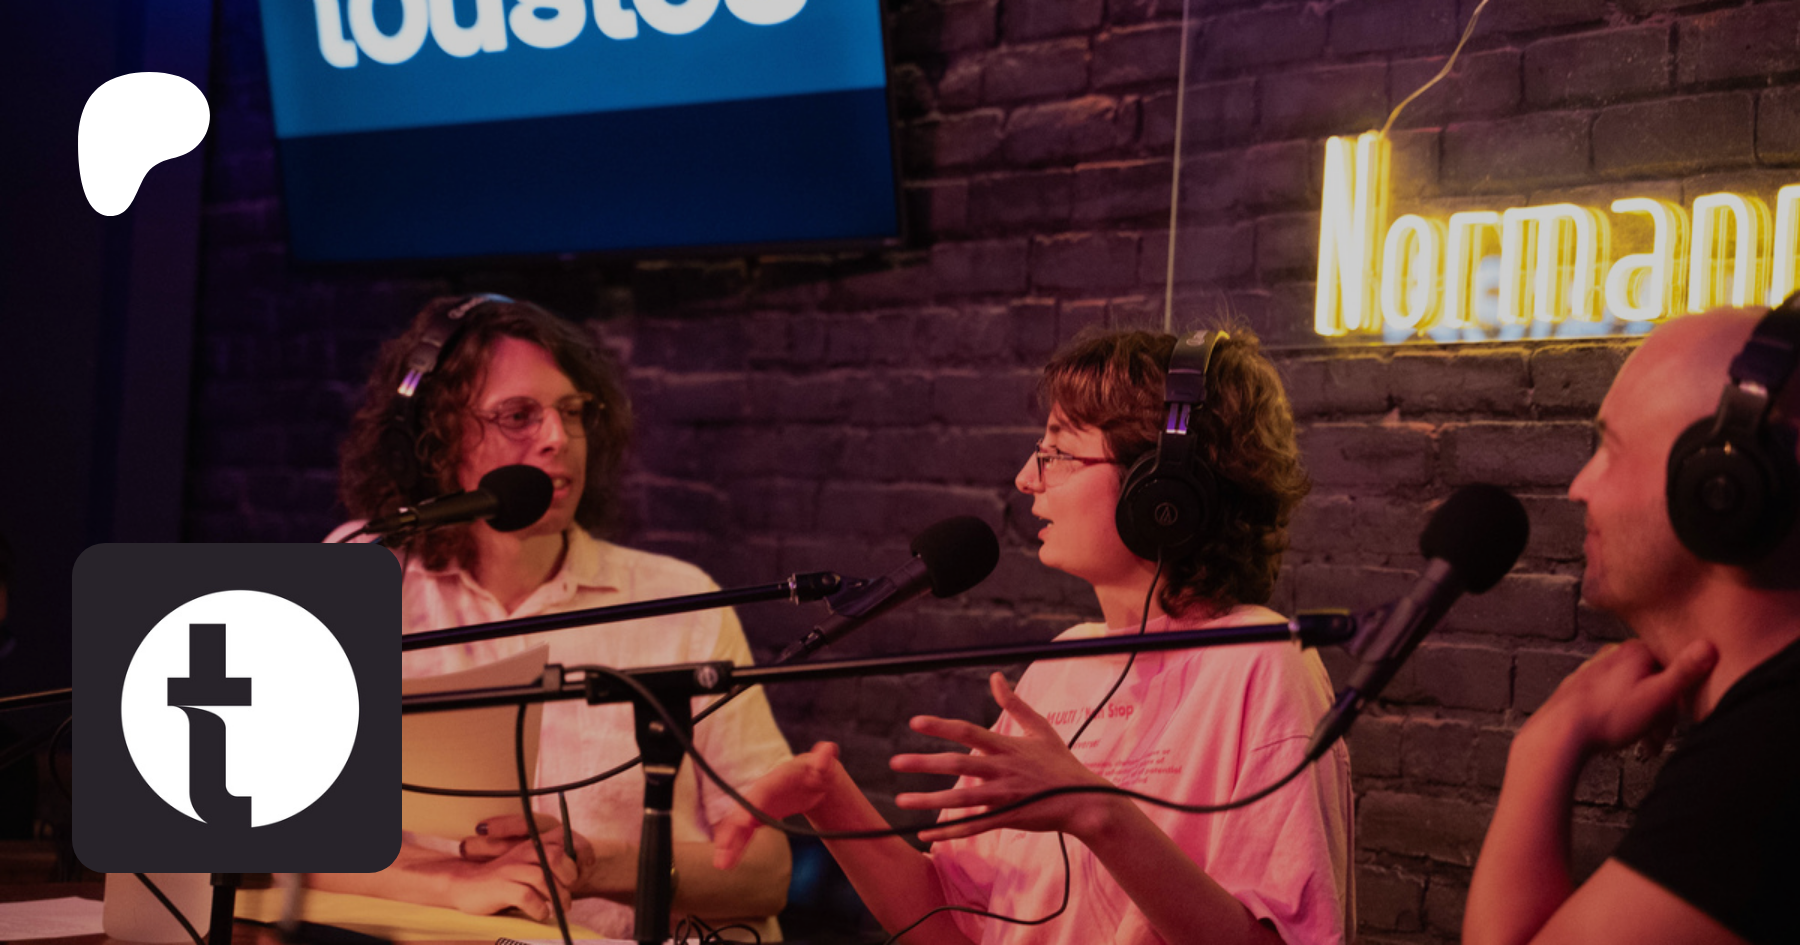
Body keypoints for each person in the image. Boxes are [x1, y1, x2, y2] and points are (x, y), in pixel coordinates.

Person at [714, 327, 1353, 945]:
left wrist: (1094, 811)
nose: (1026, 477)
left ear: (1161, 488)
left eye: (1058, 453)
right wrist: (829, 801)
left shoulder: (1259, 659)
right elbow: (954, 929)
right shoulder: (1061, 666)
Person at [316, 295, 794, 939]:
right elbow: (280, 834)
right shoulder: (364, 571)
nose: (557, 439)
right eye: (518, 416)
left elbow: (768, 872)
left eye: (572, 412)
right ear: (431, 439)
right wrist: (452, 883)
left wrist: (594, 863)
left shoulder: (681, 602)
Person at [1464, 307, 1800, 945]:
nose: (1579, 487)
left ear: (1719, 483)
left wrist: (1548, 741)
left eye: (1611, 449)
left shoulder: (1773, 758)